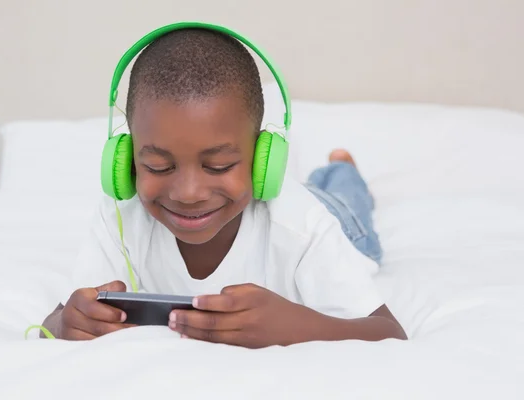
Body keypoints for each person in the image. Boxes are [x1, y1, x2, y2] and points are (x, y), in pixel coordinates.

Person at [41, 27, 407, 347]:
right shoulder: (119, 218)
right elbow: (54, 323)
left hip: (336, 217)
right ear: (126, 159)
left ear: (264, 159)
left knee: (346, 203)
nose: (188, 192)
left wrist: (294, 325)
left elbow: (388, 332)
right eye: (158, 166)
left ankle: (343, 169)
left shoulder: (303, 225)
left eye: (219, 165)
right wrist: (67, 322)